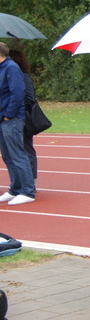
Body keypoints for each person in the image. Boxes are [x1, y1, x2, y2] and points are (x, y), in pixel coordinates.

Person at [0, 42, 35, 206]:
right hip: (3, 118)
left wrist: (9, 114)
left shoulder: (11, 68)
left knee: (17, 154)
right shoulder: (3, 68)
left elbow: (18, 92)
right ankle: (15, 188)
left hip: (11, 119)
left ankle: (27, 190)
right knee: (7, 156)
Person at [8, 50, 38, 187]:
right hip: (17, 116)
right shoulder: (11, 75)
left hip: (23, 117)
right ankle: (21, 181)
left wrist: (16, 107)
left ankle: (30, 181)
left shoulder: (22, 76)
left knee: (26, 149)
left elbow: (29, 98)